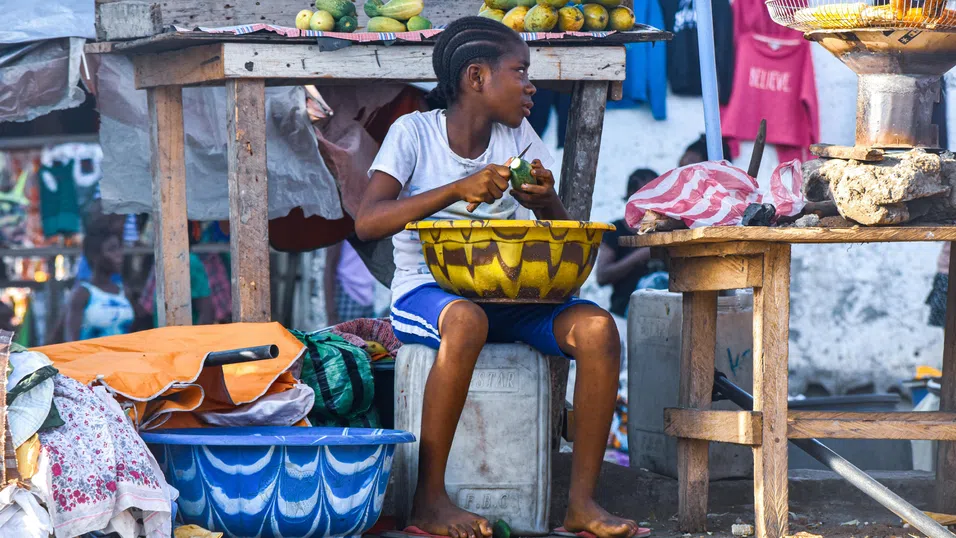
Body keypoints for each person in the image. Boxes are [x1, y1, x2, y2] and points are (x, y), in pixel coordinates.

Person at [355, 17, 644, 538]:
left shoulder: (519, 136)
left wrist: (547, 200)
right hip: (428, 290)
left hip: (511, 293)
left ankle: (581, 504)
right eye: (520, 71)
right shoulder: (414, 133)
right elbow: (367, 219)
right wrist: (456, 188)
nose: (531, 85)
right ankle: (429, 500)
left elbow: (562, 229)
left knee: (599, 330)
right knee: (465, 322)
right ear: (476, 78)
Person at [596, 169, 659, 318]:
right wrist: (639, 256)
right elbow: (602, 276)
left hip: (664, 309)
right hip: (626, 310)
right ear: (632, 196)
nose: (652, 202)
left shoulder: (661, 229)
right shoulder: (615, 231)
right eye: (647, 196)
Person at [64, 224, 134, 341]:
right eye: (112, 249)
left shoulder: (124, 292)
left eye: (119, 248)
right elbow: (72, 342)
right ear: (94, 256)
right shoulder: (83, 294)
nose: (119, 255)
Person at [324, 240, 377, 324]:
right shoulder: (340, 228)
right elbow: (330, 264)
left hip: (368, 294)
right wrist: (330, 312)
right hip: (347, 292)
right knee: (343, 336)